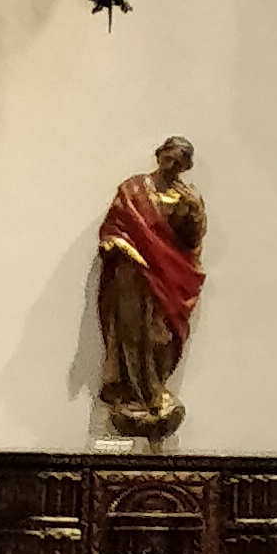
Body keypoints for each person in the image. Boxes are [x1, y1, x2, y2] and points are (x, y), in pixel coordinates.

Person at [98, 137, 208, 441]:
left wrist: (194, 211)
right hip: (132, 275)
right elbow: (114, 226)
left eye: (179, 163)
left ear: (186, 167)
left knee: (162, 337)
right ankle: (133, 393)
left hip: (169, 277)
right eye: (168, 158)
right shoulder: (133, 189)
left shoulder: (185, 197)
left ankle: (156, 389)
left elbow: (192, 240)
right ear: (159, 155)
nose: (171, 166)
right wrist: (115, 243)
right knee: (132, 333)